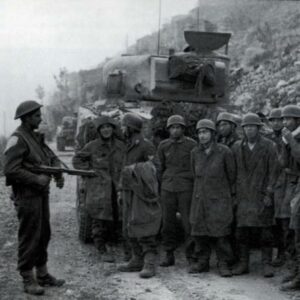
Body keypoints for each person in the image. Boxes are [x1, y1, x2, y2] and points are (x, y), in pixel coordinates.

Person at [4, 100, 65, 295]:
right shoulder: (17, 139)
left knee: (43, 233)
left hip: (40, 194)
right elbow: (10, 170)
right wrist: (36, 179)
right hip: (27, 195)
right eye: (37, 116)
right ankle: (27, 278)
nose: (40, 118)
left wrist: (57, 169)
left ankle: (43, 274)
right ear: (27, 117)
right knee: (29, 235)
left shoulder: (35, 137)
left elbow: (50, 155)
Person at [72, 116, 125, 262]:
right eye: (103, 128)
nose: (106, 130)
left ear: (113, 129)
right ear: (99, 131)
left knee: (118, 214)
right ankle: (101, 249)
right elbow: (77, 160)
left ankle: (117, 241)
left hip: (117, 186)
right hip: (99, 188)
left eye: (109, 127)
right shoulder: (92, 146)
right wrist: (90, 172)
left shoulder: (121, 146)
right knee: (98, 218)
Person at [232, 113, 277, 278]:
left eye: (252, 126)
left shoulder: (269, 146)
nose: (249, 130)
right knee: (242, 232)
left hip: (261, 194)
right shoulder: (237, 147)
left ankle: (267, 263)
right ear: (242, 129)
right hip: (243, 195)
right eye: (246, 127)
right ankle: (244, 263)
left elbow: (274, 171)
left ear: (259, 128)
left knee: (265, 231)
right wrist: (234, 194)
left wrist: (269, 193)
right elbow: (232, 172)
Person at [189, 119, 235, 277]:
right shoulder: (195, 153)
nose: (202, 135)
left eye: (205, 132)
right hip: (200, 198)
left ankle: (224, 263)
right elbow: (194, 175)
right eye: (200, 132)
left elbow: (232, 177)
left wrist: (229, 198)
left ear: (213, 134)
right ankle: (203, 262)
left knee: (220, 234)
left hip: (220, 199)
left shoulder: (224, 151)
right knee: (200, 233)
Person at [117, 112, 161, 278]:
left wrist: (134, 169)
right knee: (129, 225)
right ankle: (136, 259)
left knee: (144, 224)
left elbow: (155, 167)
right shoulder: (126, 145)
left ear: (130, 128)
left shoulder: (146, 145)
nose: (121, 129)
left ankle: (149, 263)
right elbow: (122, 169)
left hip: (141, 194)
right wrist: (121, 190)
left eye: (123, 126)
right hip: (128, 192)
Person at [156, 115, 197, 267]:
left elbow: (195, 165)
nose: (175, 130)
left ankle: (191, 256)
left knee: (188, 223)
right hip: (168, 188)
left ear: (183, 129)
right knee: (167, 223)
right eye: (172, 127)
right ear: (168, 130)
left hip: (186, 187)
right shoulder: (163, 145)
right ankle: (169, 254)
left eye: (178, 127)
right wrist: (162, 184)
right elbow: (160, 167)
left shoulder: (191, 145)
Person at [267, 108, 293, 267]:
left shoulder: (289, 137)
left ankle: (288, 255)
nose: (276, 123)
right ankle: (281, 253)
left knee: (286, 220)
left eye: (279, 120)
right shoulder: (268, 139)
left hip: (289, 181)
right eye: (273, 120)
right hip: (274, 182)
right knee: (275, 220)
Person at [279, 105, 300, 291]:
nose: (285, 122)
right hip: (294, 185)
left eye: (289, 119)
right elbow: (284, 163)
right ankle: (296, 270)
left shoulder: (295, 138)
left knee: (298, 228)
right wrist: (286, 144)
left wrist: (291, 141)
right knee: (291, 228)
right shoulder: (290, 138)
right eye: (284, 119)